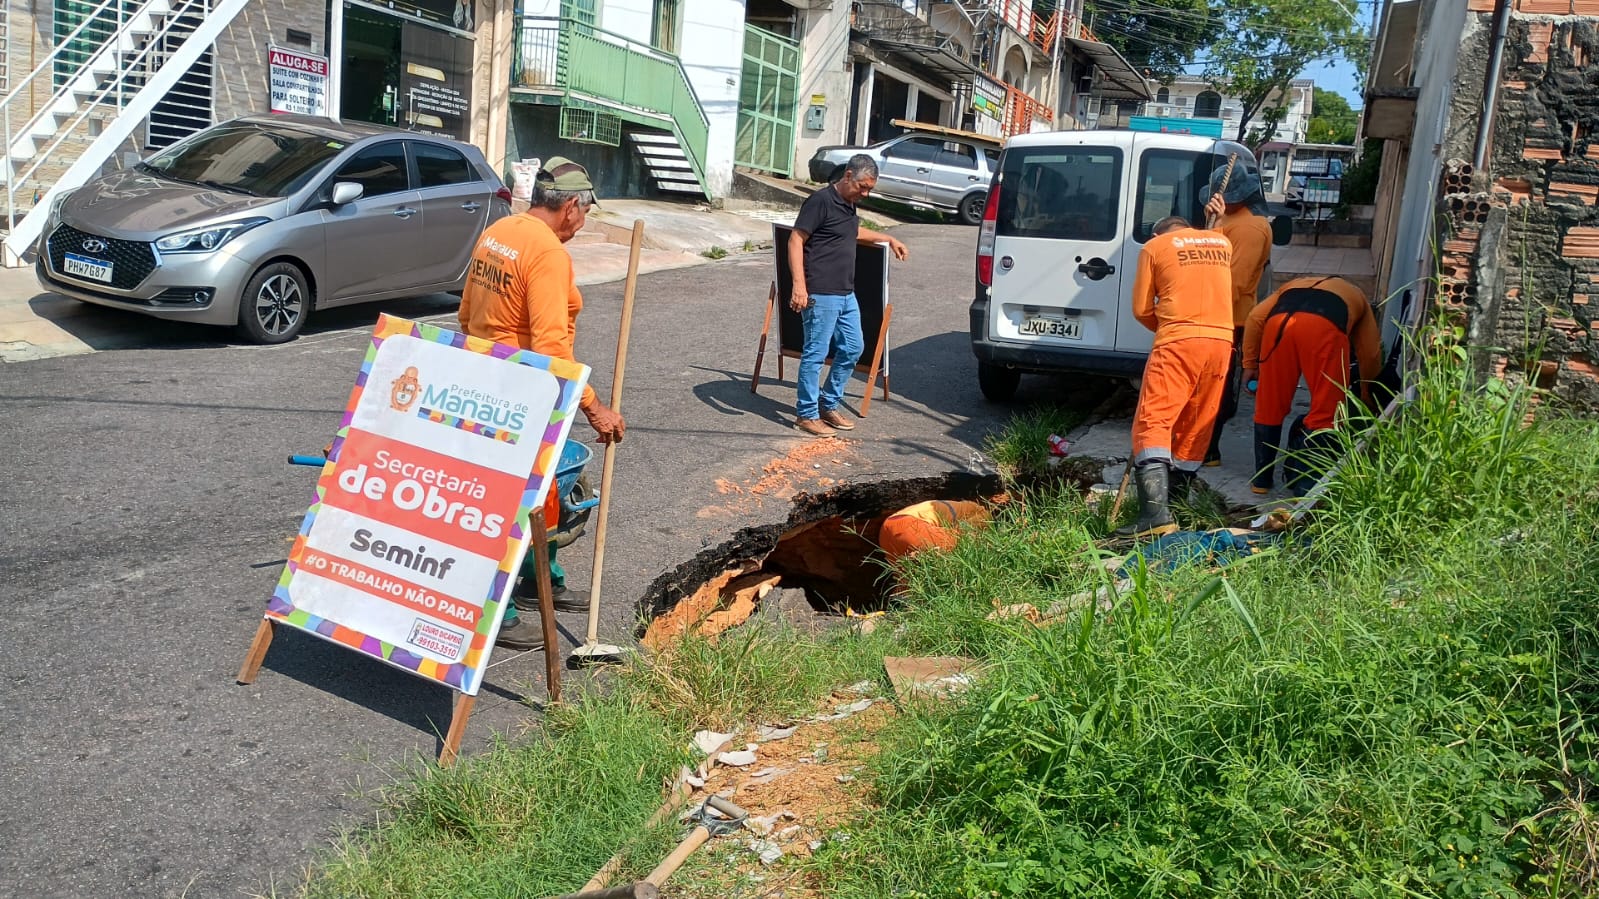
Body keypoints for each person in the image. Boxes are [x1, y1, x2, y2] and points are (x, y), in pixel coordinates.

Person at [457, 156, 626, 651]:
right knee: (509, 502)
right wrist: (595, 407)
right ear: (572, 206)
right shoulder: (549, 253)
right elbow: (552, 350)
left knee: (541, 491)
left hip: (488, 379)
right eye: (587, 212)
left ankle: (539, 579)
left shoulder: (500, 231)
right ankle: (500, 612)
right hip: (520, 393)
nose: (584, 220)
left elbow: (466, 315)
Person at [1119, 215, 1235, 538]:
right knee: (1196, 423)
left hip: (1178, 341)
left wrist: (1171, 328)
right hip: (1221, 344)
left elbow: (1142, 308)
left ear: (1159, 232)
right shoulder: (1221, 243)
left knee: (1153, 420)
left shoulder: (1155, 246)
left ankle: (1154, 516)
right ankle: (1177, 507)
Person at [789, 154, 908, 437]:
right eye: (863, 187)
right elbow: (796, 239)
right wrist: (799, 286)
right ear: (847, 176)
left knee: (854, 348)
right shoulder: (820, 201)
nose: (865, 194)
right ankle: (806, 414)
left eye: (870, 189)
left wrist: (889, 239)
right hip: (821, 291)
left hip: (845, 293)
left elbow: (853, 232)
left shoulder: (848, 206)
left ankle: (828, 403)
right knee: (815, 354)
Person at [1241, 276, 1381, 496]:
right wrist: (1366, 394)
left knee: (1269, 404)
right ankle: (1306, 487)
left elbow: (1255, 318)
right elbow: (1370, 354)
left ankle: (1261, 480)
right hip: (1324, 326)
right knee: (1326, 411)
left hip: (1278, 323)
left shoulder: (1291, 285)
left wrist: (1249, 364)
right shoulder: (1359, 298)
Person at [1200, 167, 1274, 467]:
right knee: (1204, 385)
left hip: (1228, 319)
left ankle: (1208, 449)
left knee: (1216, 386)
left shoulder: (1251, 228)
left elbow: (1235, 282)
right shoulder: (1226, 219)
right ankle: (1200, 445)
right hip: (1212, 314)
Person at [878, 500, 992, 563]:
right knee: (952, 556)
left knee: (907, 584)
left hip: (887, 529)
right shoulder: (984, 515)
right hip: (911, 526)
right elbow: (966, 537)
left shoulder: (962, 508)